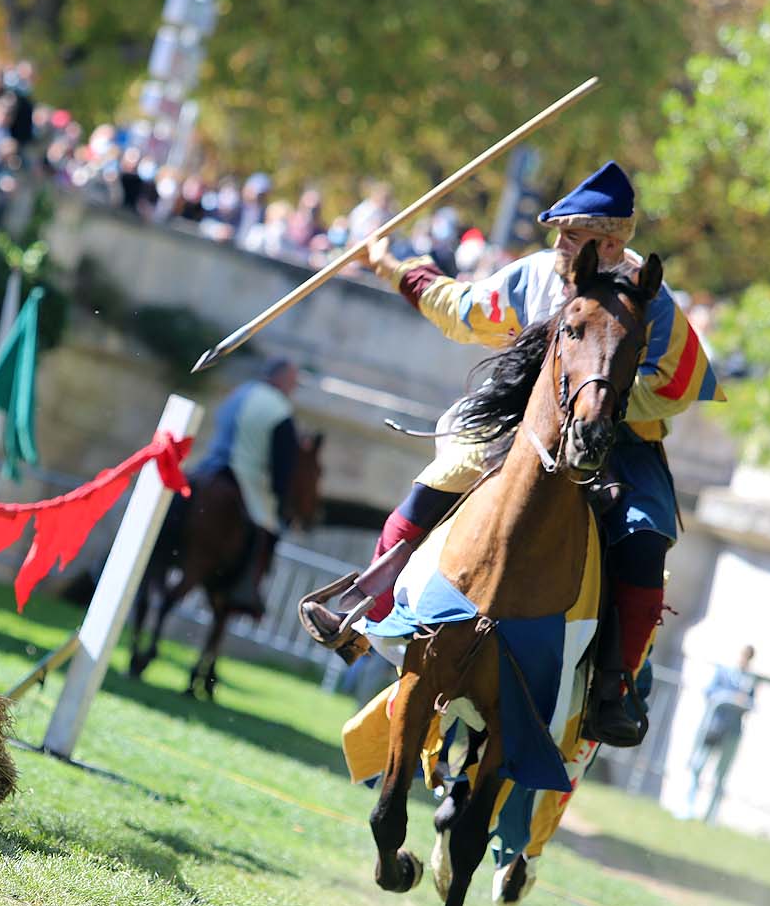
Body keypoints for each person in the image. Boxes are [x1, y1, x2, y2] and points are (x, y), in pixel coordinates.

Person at [310, 161, 725, 746]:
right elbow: (463, 311)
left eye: (572, 236)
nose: (558, 244)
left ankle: (613, 689)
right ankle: (368, 610)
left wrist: (598, 407)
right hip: (522, 427)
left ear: (609, 243)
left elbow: (679, 387)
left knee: (644, 536)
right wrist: (387, 263)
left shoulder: (651, 302)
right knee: (438, 481)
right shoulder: (537, 275)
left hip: (622, 443)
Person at [191, 358, 303, 616]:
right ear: (281, 379)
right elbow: (282, 466)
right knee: (269, 530)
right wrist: (281, 499)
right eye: (292, 381)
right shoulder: (280, 410)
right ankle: (245, 588)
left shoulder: (239, 392)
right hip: (246, 479)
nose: (293, 387)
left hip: (209, 468)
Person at [683, 645, 757, 822]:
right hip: (714, 727)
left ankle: (711, 815)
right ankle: (688, 807)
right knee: (698, 765)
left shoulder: (750, 681)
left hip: (732, 732)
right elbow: (709, 691)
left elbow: (752, 704)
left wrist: (744, 702)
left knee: (721, 774)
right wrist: (729, 697)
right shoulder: (724, 672)